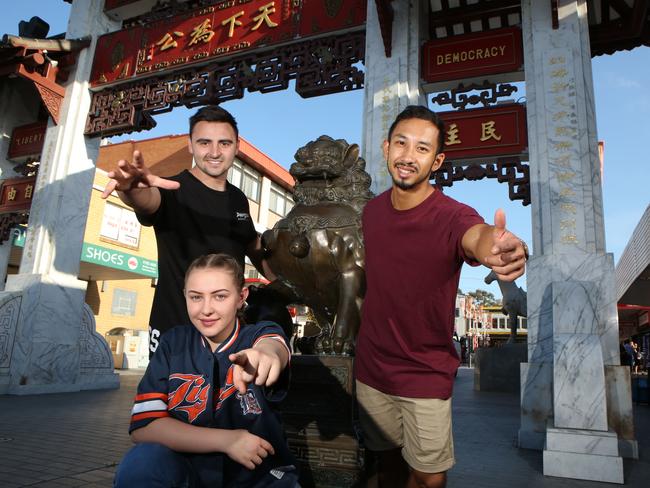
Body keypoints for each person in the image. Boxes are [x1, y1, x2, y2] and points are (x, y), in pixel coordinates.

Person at [355, 105, 528, 488]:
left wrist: (498, 249)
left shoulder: (451, 215)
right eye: (401, 144)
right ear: (386, 148)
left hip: (425, 370)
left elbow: (477, 235)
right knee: (385, 465)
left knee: (429, 477)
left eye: (422, 148)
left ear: (437, 161)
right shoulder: (370, 213)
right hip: (371, 366)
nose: (408, 156)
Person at [102, 106, 279, 354]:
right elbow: (147, 199)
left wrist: (288, 282)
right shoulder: (173, 189)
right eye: (205, 143)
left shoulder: (238, 199)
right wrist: (131, 188)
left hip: (228, 338)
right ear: (190, 145)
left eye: (224, 143)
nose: (215, 152)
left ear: (236, 147)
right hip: (175, 334)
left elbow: (253, 246)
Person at [114, 253, 298, 487]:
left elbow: (274, 344)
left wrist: (267, 354)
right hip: (189, 473)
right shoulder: (173, 343)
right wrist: (228, 441)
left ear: (241, 297)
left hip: (258, 477)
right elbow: (144, 426)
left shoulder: (257, 335)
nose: (206, 309)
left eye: (220, 296)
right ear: (185, 297)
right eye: (196, 297)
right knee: (142, 463)